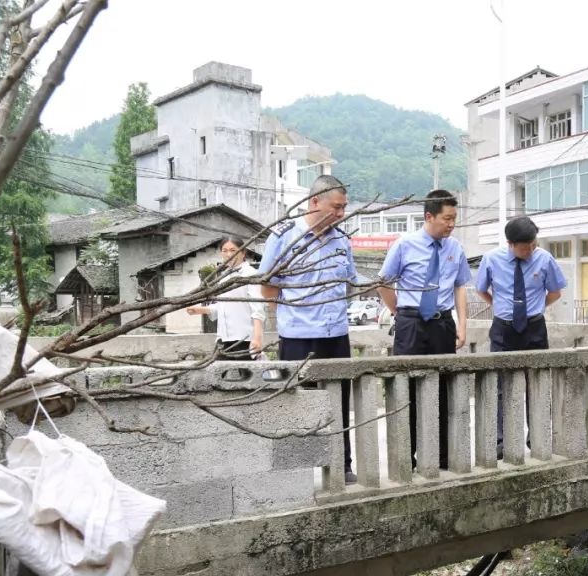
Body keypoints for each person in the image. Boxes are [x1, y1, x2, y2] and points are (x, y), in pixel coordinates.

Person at [259, 174, 357, 479]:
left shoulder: (342, 240)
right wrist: (288, 317)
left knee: (338, 404)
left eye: (344, 208)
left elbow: (349, 282)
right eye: (336, 207)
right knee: (296, 405)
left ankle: (342, 465)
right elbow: (268, 286)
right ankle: (297, 473)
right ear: (314, 202)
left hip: (336, 336)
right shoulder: (284, 236)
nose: (341, 214)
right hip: (299, 338)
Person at [377, 189, 471, 471]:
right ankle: (407, 456)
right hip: (412, 323)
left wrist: (462, 325)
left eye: (454, 218)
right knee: (408, 389)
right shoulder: (405, 244)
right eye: (447, 218)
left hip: (443, 323)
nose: (451, 224)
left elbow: (460, 286)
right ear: (429, 216)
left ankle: (441, 455)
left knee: (443, 389)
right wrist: (399, 312)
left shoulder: (455, 248)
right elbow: (383, 282)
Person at [475, 216, 566, 456]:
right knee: (500, 386)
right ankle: (500, 442)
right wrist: (499, 305)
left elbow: (555, 292)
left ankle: (536, 438)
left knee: (537, 382)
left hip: (534, 328)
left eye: (533, 244)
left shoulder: (544, 259)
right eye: (525, 247)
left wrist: (533, 309)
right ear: (510, 243)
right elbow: (481, 289)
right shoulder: (491, 259)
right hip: (503, 329)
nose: (530, 250)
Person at [186, 236, 266, 360]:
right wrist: (200, 310)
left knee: (246, 376)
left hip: (244, 339)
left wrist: (257, 338)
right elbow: (223, 306)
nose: (229, 254)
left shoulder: (250, 274)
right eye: (225, 250)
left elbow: (258, 308)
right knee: (217, 374)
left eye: (233, 250)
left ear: (243, 252)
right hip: (223, 338)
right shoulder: (224, 277)